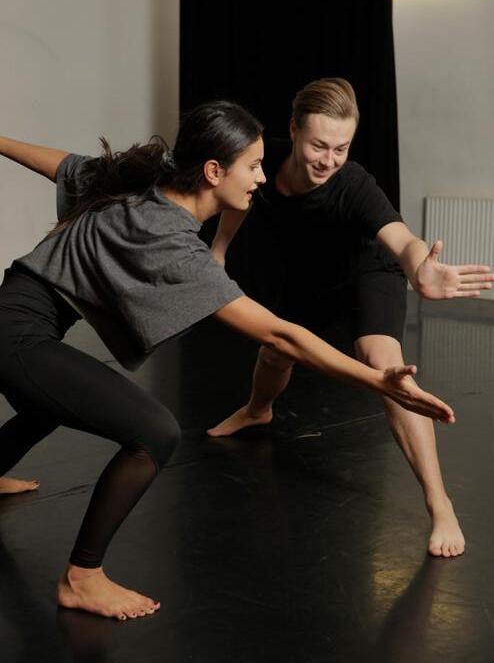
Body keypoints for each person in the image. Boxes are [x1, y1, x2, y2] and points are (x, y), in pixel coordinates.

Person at [0, 101, 454, 620]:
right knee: (154, 432)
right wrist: (377, 380)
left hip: (18, 318)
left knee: (53, 397)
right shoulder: (172, 244)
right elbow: (281, 336)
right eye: (253, 166)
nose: (262, 177)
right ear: (214, 172)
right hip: (16, 335)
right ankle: (81, 578)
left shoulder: (150, 179)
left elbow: (62, 165)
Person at [207, 79, 494, 559]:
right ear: (293, 130)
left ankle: (439, 502)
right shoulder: (263, 162)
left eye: (341, 148)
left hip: (366, 275)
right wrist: (217, 251)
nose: (329, 159)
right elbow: (241, 198)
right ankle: (258, 410)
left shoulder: (354, 184)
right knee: (276, 351)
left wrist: (420, 269)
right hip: (310, 275)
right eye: (319, 146)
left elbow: (401, 239)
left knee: (384, 363)